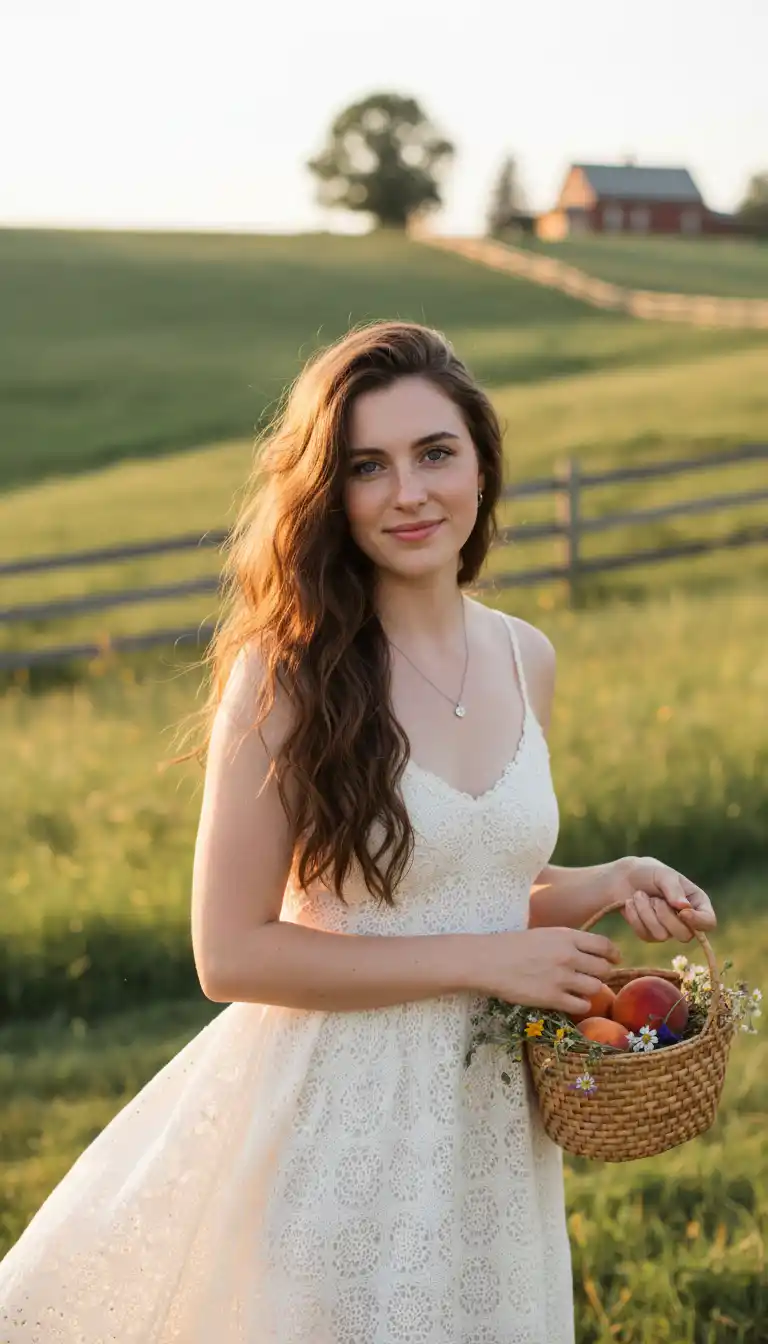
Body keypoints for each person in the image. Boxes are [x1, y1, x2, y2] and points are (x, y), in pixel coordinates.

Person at [0, 320, 716, 1343]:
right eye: (367, 467)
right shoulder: (289, 677)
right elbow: (230, 951)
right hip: (338, 1120)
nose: (409, 493)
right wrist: (493, 960)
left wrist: (608, 878)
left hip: (486, 1118)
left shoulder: (526, 657)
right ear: (330, 494)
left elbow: (455, 882)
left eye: (435, 453)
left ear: (481, 462)